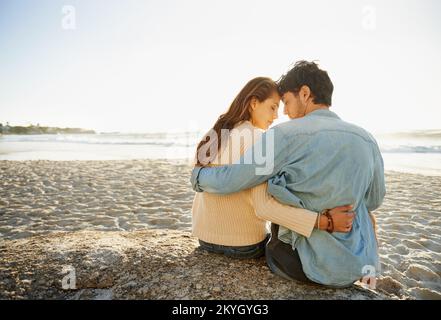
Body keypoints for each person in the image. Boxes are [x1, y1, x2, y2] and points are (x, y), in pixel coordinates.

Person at [191, 61, 385, 287]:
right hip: (354, 263)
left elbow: (234, 179)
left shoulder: (280, 136)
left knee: (277, 190)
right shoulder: (367, 139)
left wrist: (198, 176)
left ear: (305, 94)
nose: (283, 112)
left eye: (286, 102)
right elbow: (374, 199)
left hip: (298, 263)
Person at [192, 77, 355, 261]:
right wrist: (323, 222)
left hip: (204, 238)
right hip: (243, 245)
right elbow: (265, 208)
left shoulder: (214, 133)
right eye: (273, 107)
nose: (277, 115)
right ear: (254, 103)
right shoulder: (260, 140)